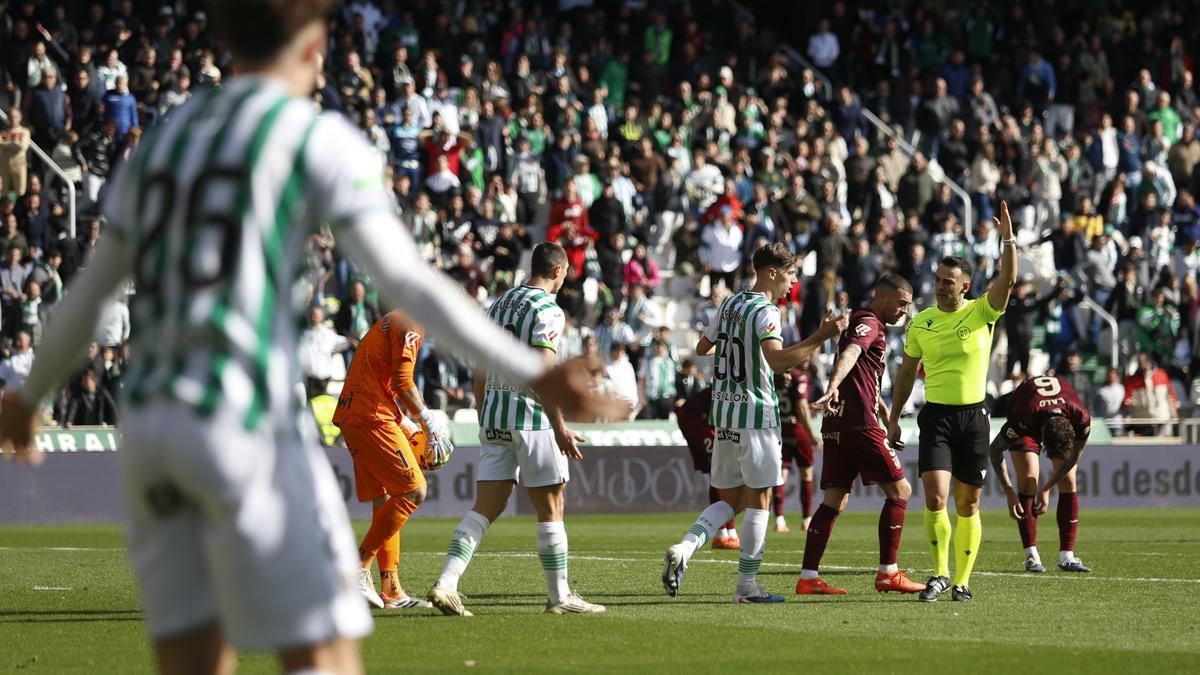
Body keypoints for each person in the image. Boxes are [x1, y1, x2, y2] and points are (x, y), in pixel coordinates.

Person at [0, 3, 624, 674]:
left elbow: (91, 292)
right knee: (322, 649)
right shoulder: (311, 136)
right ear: (317, 44)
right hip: (243, 416)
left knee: (193, 656)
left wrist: (30, 394)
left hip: (151, 425)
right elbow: (407, 283)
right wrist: (532, 371)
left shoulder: (166, 137)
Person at [427, 242, 607, 616]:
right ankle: (559, 597)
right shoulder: (547, 309)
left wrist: (484, 414)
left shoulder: (499, 304)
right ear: (557, 271)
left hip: (494, 415)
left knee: (484, 508)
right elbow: (542, 373)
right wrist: (559, 426)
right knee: (551, 506)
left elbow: (480, 367)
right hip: (532, 419)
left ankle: (446, 582)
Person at [662, 243, 848, 604]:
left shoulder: (729, 304)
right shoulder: (766, 312)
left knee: (731, 500)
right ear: (772, 272)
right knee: (761, 499)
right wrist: (821, 337)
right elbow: (778, 362)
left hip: (725, 414)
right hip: (757, 415)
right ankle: (746, 588)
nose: (793, 281)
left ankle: (685, 548)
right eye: (790, 274)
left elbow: (703, 348)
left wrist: (738, 351)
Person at [887, 201, 1017, 602]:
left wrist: (1008, 240)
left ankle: (962, 581)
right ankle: (940, 574)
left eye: (949, 281)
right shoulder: (921, 321)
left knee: (968, 503)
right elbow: (907, 373)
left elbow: (1007, 281)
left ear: (965, 286)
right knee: (936, 497)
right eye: (939, 279)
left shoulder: (983, 312)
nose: (941, 285)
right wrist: (893, 417)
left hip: (975, 418)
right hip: (937, 417)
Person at [796, 274, 925, 595]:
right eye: (902, 304)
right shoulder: (870, 322)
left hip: (838, 424)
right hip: (858, 425)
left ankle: (808, 577)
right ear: (882, 299)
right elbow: (851, 353)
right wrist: (833, 385)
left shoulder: (858, 318)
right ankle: (888, 573)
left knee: (834, 500)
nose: (904, 312)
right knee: (901, 491)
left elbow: (863, 371)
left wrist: (880, 405)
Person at [333, 309, 453, 610]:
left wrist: (407, 423)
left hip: (358, 412)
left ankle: (392, 589)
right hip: (371, 414)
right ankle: (358, 567)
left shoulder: (395, 318)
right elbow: (401, 380)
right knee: (414, 491)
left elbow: (376, 376)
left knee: (384, 499)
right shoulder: (413, 321)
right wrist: (427, 420)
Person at [989, 374, 1094, 575]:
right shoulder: (1023, 420)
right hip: (1028, 407)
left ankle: (1067, 557)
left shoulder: (1081, 418)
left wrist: (1047, 488)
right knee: (1028, 480)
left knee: (1069, 478)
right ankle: (1031, 556)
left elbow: (1071, 460)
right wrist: (1009, 491)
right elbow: (994, 451)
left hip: (1052, 411)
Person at [675, 386, 740, 549]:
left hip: (703, 419)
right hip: (695, 419)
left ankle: (727, 531)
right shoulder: (736, 384)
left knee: (722, 469)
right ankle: (723, 532)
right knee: (721, 469)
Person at [774, 364, 818, 533]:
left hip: (779, 428)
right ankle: (806, 520)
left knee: (781, 474)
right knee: (806, 474)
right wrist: (811, 433)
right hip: (797, 430)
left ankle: (779, 520)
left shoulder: (775, 372)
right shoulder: (798, 376)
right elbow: (800, 406)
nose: (807, 359)